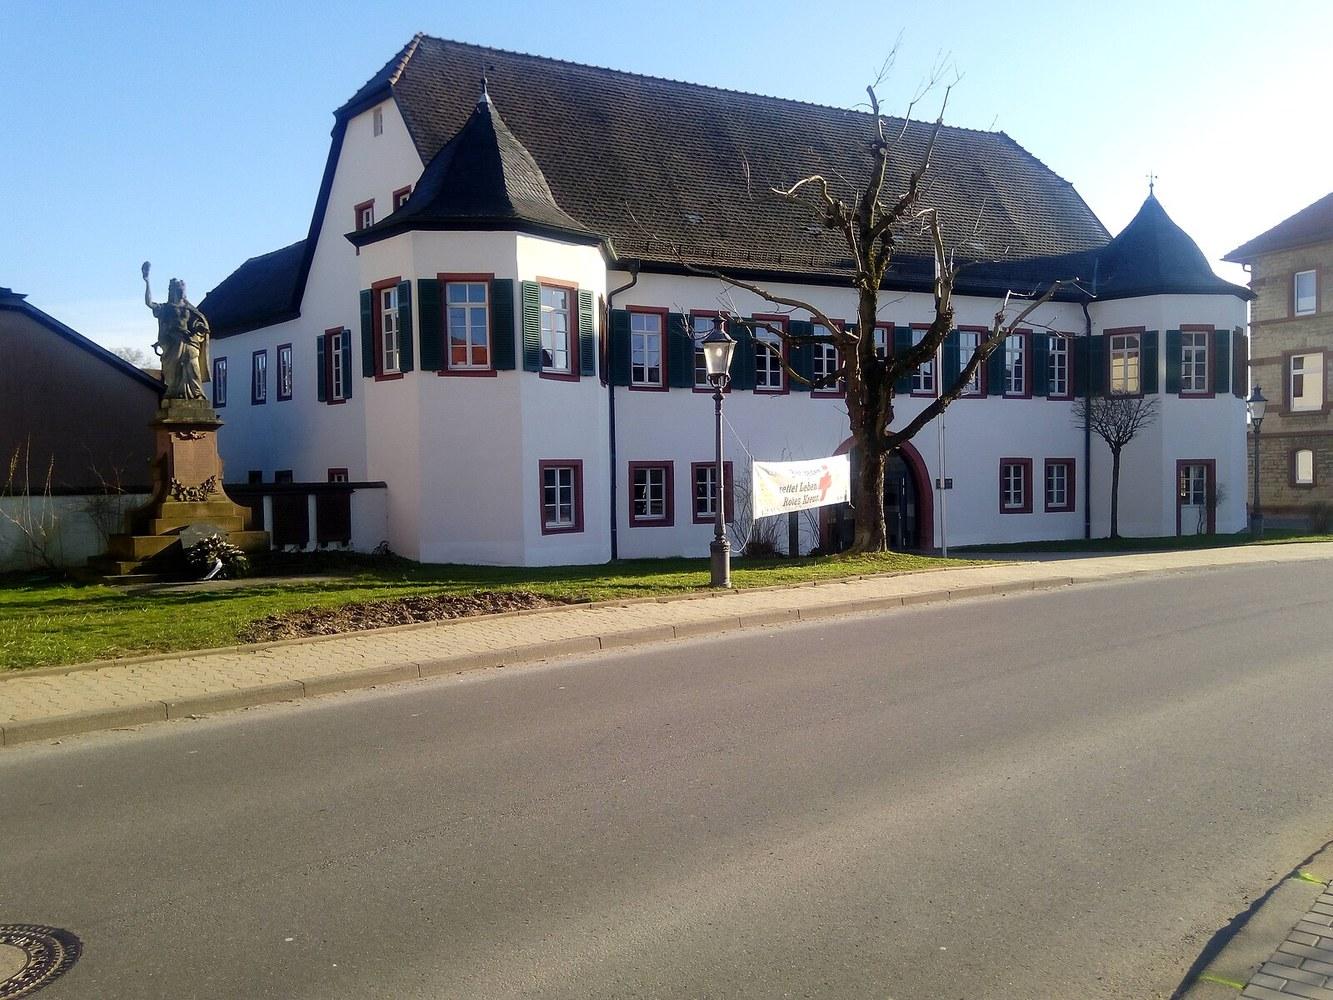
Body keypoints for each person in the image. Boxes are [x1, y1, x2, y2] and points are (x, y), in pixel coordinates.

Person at [143, 261, 210, 399]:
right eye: (178, 290)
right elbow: (149, 303)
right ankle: (174, 393)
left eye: (182, 290)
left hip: (190, 342)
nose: (181, 293)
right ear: (172, 291)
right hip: (173, 343)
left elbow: (199, 323)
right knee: (173, 372)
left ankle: (196, 395)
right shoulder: (166, 308)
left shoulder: (190, 309)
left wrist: (200, 328)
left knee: (193, 369)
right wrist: (147, 281)